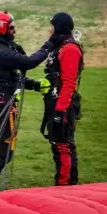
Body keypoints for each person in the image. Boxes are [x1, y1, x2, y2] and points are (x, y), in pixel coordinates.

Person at [0, 10, 55, 193]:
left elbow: (9, 79)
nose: (14, 31)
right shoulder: (1, 51)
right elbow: (28, 62)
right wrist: (49, 45)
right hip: (0, 109)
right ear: (2, 29)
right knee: (2, 152)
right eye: (11, 27)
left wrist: (34, 85)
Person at [38, 11, 84, 186]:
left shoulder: (70, 49)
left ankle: (65, 185)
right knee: (57, 144)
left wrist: (60, 111)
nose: (49, 29)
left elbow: (69, 82)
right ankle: (64, 184)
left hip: (62, 106)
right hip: (55, 103)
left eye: (52, 25)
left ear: (59, 27)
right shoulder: (60, 47)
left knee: (63, 145)